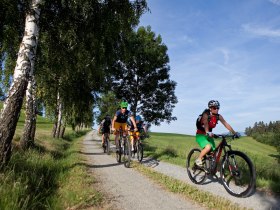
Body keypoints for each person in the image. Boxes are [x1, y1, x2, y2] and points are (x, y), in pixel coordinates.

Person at [195, 100, 240, 167]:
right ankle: (198, 159)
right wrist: (208, 132)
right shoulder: (206, 114)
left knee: (214, 153)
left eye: (218, 108)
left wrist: (234, 132)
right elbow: (206, 123)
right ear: (210, 108)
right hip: (201, 135)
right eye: (214, 108)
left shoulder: (218, 116)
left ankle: (212, 169)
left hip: (209, 136)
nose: (216, 109)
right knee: (208, 147)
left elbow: (226, 124)